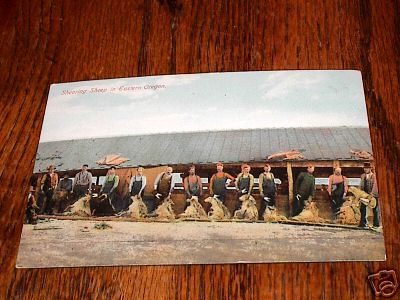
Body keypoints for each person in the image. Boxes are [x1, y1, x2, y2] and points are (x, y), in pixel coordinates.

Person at [358, 162, 380, 229]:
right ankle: (362, 223)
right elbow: (360, 185)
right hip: (364, 195)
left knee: (375, 209)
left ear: (370, 169)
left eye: (367, 168)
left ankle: (376, 224)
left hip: (372, 194)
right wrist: (360, 193)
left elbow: (375, 186)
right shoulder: (362, 176)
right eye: (365, 168)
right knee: (362, 209)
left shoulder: (373, 176)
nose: (365, 169)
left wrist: (372, 194)